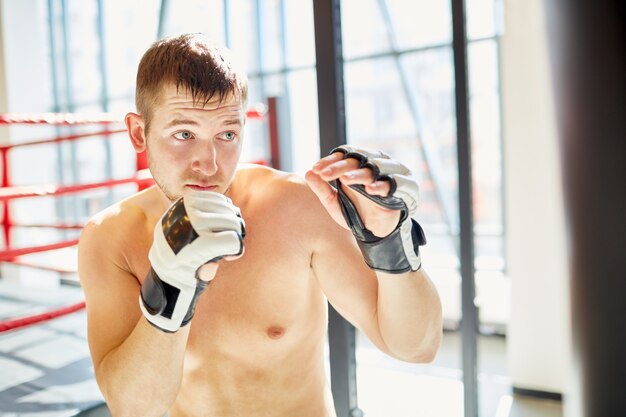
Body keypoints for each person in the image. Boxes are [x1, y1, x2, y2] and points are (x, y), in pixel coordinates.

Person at [78, 33, 442, 417]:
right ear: (139, 132)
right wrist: (169, 289)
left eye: (227, 134)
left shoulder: (298, 207)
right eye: (184, 134)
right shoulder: (111, 239)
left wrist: (389, 241)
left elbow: (416, 347)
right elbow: (133, 409)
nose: (209, 163)